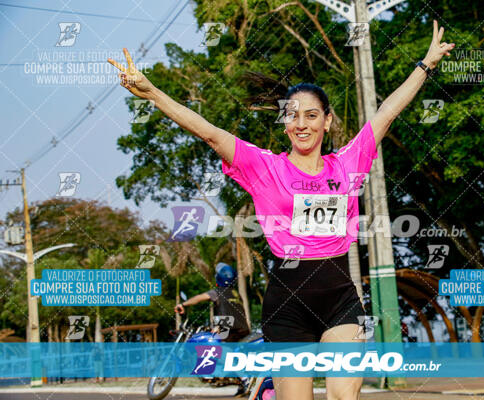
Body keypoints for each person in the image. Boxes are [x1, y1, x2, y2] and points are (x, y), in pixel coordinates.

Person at [109, 20, 454, 400]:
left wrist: (425, 65)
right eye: (293, 115)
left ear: (327, 121)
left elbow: (386, 111)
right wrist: (153, 93)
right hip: (288, 303)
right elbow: (208, 131)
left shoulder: (348, 163)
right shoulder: (264, 166)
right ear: (285, 123)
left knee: (344, 395)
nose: (302, 123)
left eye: (311, 115)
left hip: (340, 297)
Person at [174, 262, 250, 342]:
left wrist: (183, 304)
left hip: (228, 333)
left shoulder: (217, 292)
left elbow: (198, 298)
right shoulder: (236, 294)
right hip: (243, 332)